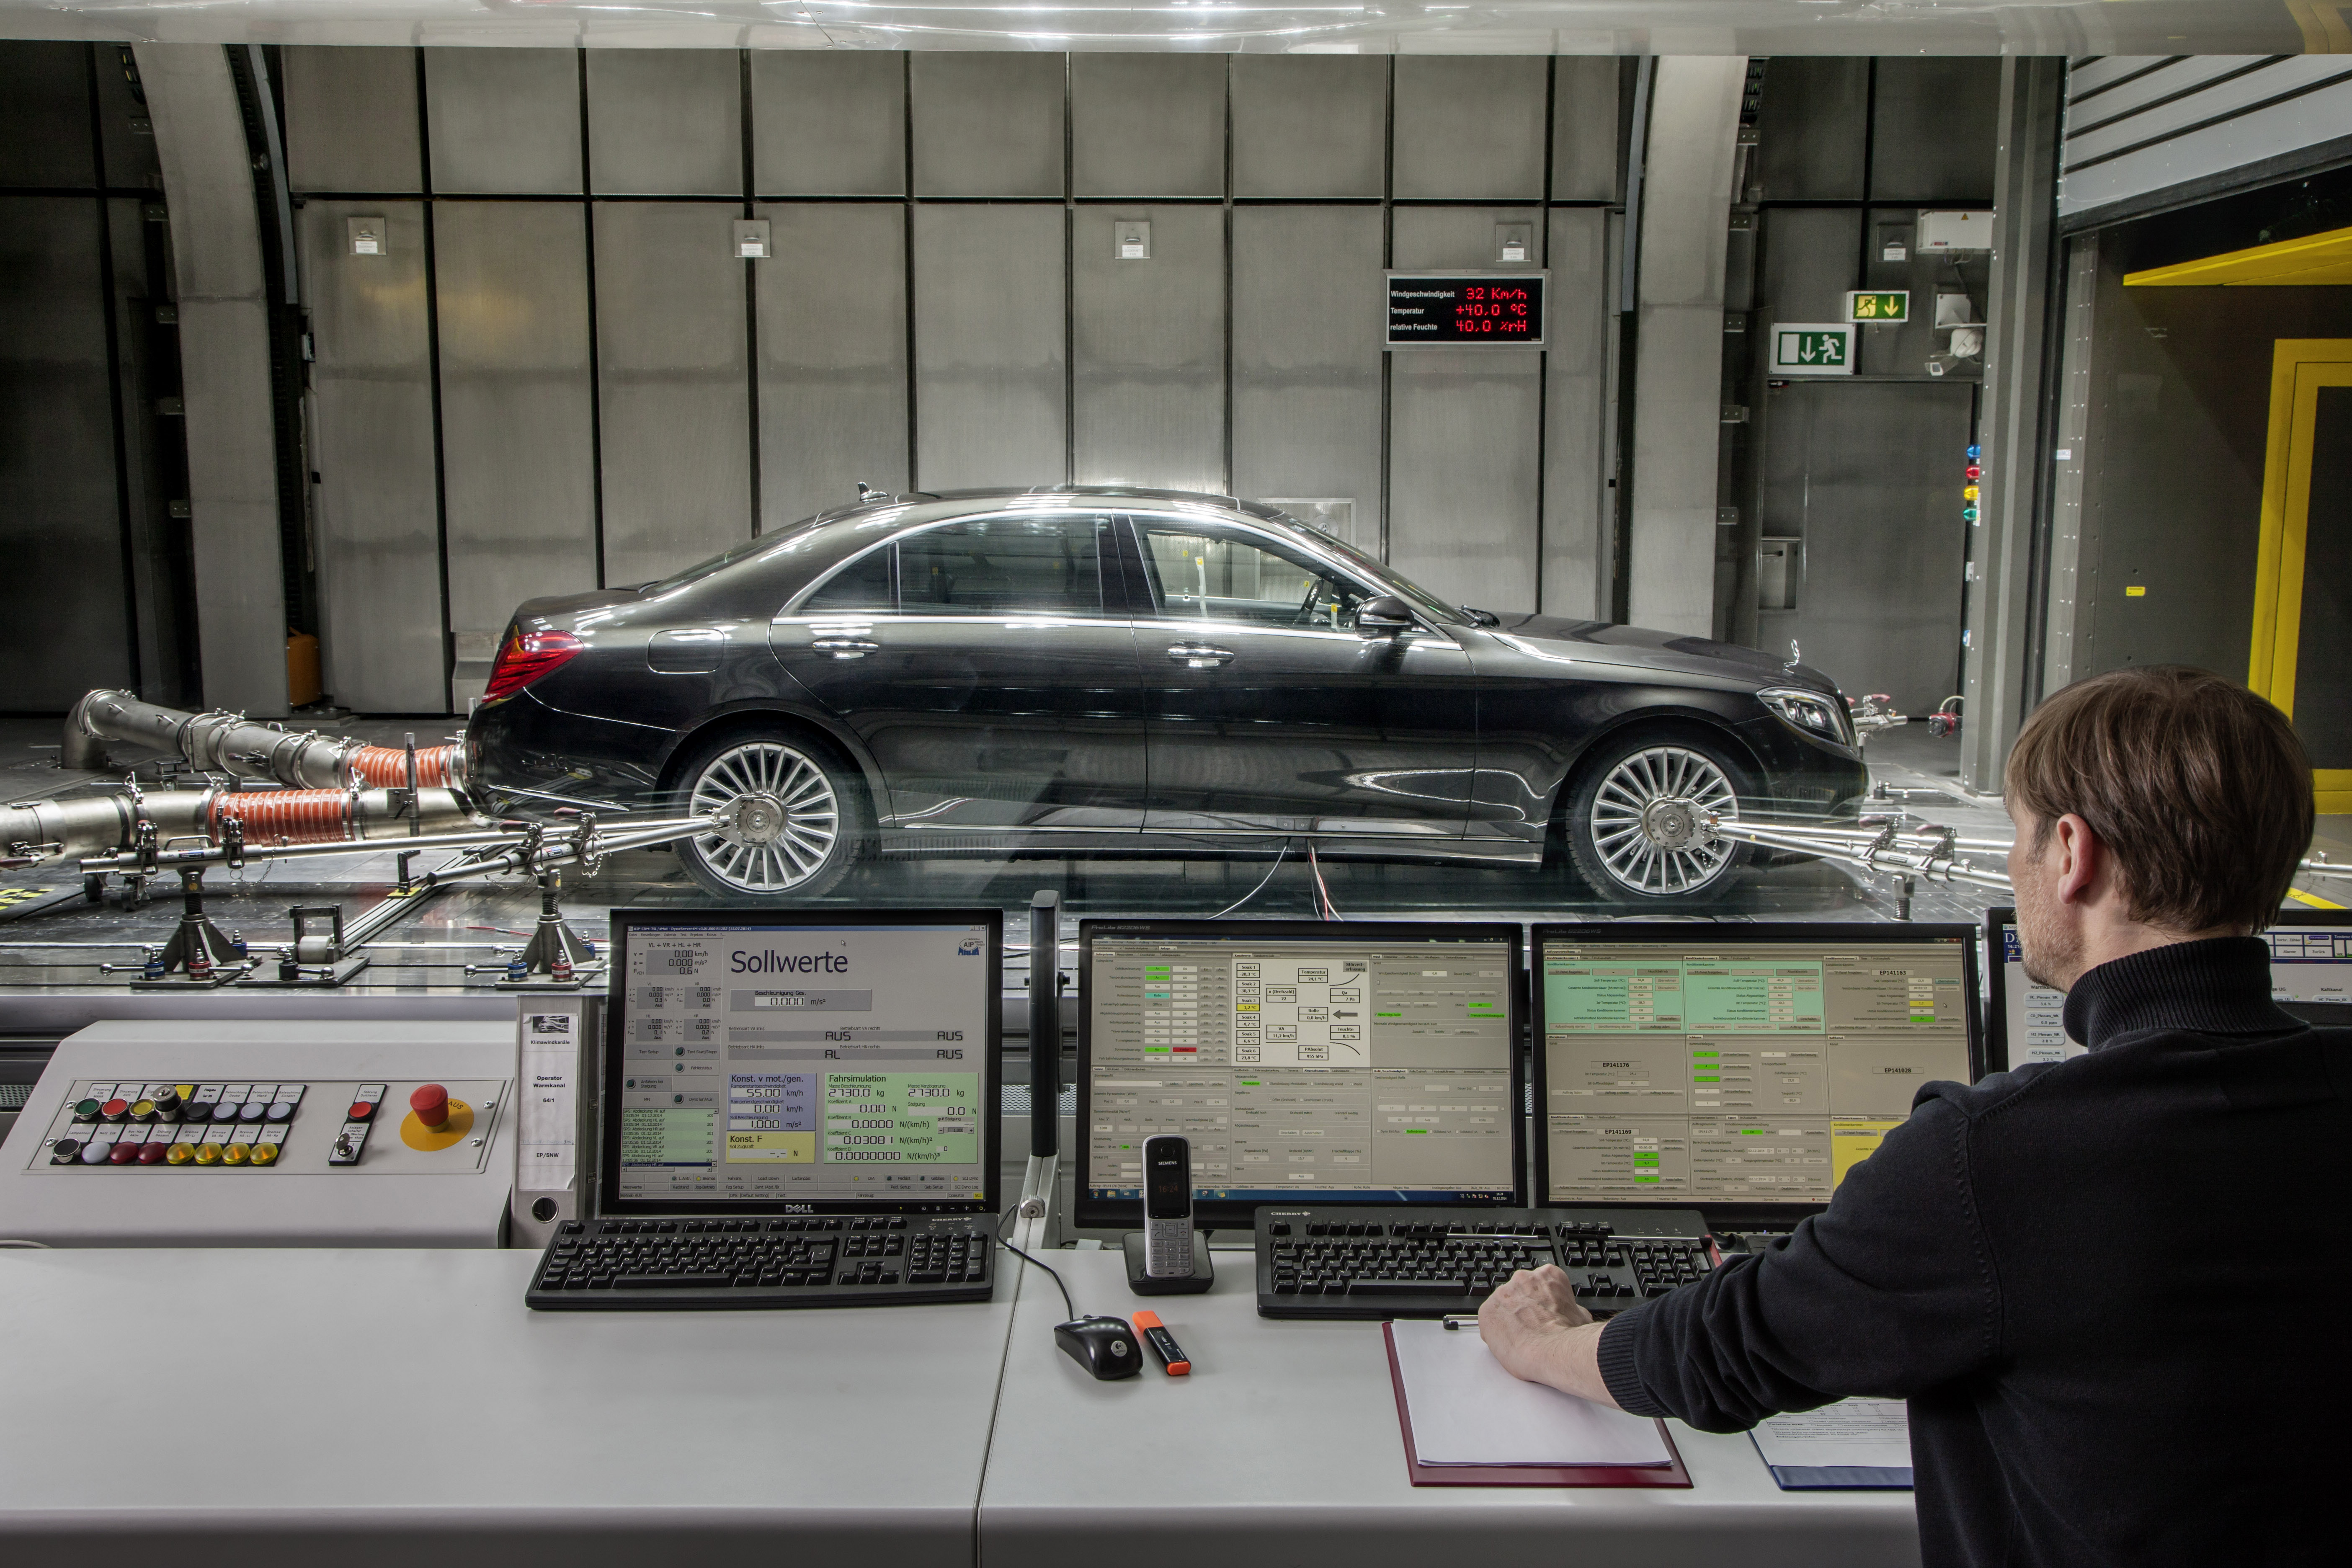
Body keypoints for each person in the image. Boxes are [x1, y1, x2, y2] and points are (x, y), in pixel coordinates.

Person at [1479, 665, 2348, 1567]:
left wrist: (1549, 1343)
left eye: (2019, 839)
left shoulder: (2002, 1157)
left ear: (2071, 853)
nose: (2018, 869)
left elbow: (1718, 1354)